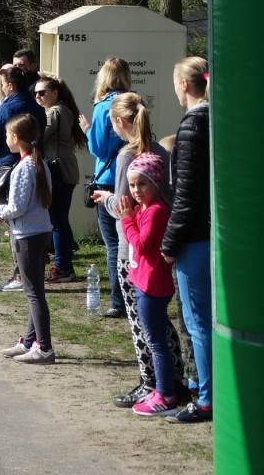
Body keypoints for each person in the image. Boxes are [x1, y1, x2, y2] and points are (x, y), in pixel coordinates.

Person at [93, 92, 185, 409]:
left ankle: (151, 384)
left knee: (141, 324)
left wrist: (102, 198)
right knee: (160, 321)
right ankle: (174, 378)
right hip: (158, 245)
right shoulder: (160, 149)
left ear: (119, 122)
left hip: (129, 251)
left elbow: (123, 206)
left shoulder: (125, 156)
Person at [161, 57, 212, 424]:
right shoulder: (214, 119)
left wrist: (169, 241)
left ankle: (207, 397)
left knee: (197, 320)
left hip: (195, 236)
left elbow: (187, 193)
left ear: (183, 85)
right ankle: (201, 386)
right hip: (206, 232)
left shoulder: (195, 122)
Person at [0, 114, 55, 364]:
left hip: (28, 235)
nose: (6, 139)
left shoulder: (24, 167)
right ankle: (30, 341)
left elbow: (17, 207)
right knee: (34, 290)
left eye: (7, 135)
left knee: (34, 292)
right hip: (39, 231)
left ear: (16, 138)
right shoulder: (38, 163)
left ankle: (45, 348)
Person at [118, 152, 177, 417]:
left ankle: (165, 395)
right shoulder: (145, 209)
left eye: (142, 184)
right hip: (144, 282)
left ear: (155, 182)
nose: (136, 190)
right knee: (154, 340)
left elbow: (141, 245)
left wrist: (126, 219)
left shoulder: (156, 211)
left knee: (156, 343)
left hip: (153, 285)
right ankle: (161, 390)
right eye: (132, 185)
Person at [0, 65, 47, 290]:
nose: (0, 87)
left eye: (1, 83)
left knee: (13, 221)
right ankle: (32, 268)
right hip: (37, 159)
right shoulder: (35, 104)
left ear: (10, 85)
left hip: (10, 165)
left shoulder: (7, 106)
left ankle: (21, 275)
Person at [79, 57, 131, 317]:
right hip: (133, 176)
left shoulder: (103, 106)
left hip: (109, 179)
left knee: (113, 244)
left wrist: (88, 130)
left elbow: (97, 147)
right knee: (131, 239)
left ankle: (118, 301)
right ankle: (134, 294)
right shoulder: (134, 101)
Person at [35, 76, 86, 283]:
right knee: (59, 221)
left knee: (57, 222)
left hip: (60, 171)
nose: (37, 97)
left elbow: (37, 137)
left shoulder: (54, 112)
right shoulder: (61, 109)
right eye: (35, 93)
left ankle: (63, 267)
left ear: (54, 94)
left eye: (42, 93)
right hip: (64, 171)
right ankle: (65, 264)